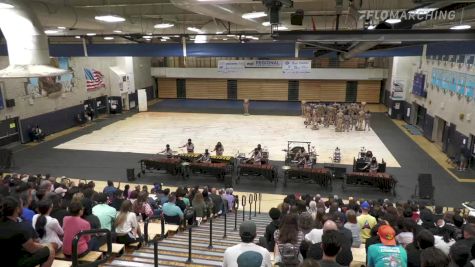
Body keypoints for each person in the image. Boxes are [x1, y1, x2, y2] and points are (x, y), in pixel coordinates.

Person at [0, 196, 55, 267]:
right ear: (17, 209)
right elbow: (32, 249)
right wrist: (46, 245)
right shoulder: (20, 227)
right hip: (15, 262)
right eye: (22, 205)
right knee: (50, 250)